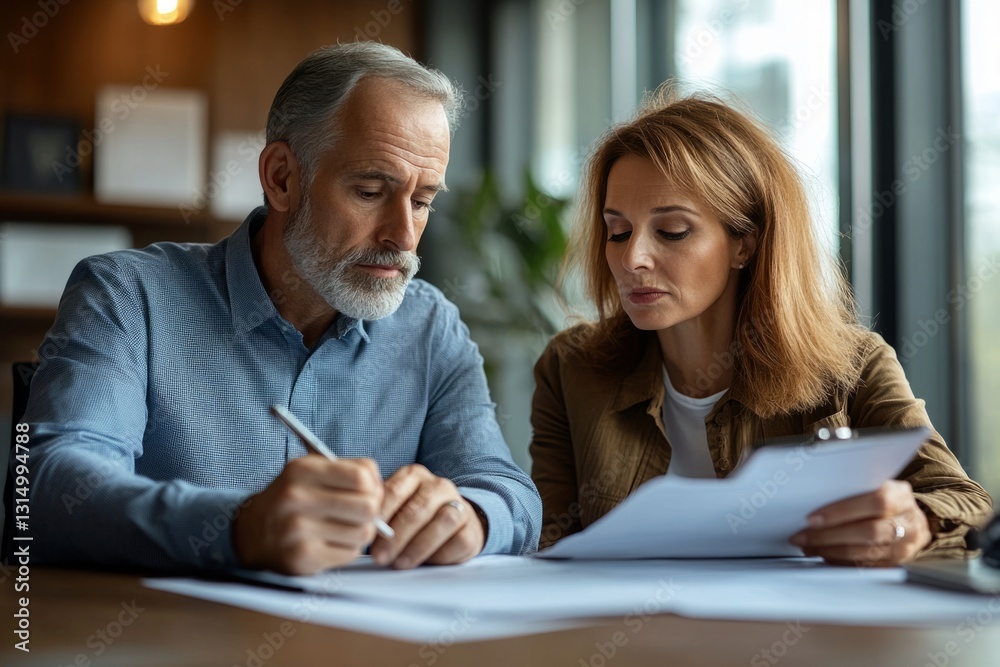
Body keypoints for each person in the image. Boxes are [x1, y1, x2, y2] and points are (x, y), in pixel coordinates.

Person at [22, 42, 540, 575]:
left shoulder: (431, 327)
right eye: (368, 191)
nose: (403, 236)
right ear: (281, 178)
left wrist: (473, 516)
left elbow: (508, 491)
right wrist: (239, 527)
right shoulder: (128, 297)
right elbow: (49, 489)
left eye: (422, 200)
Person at [530, 87, 991, 566]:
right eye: (618, 231)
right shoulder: (571, 368)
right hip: (626, 636)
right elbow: (550, 543)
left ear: (744, 244)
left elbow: (968, 505)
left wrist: (912, 524)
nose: (632, 258)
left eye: (672, 231)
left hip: (803, 635)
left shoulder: (854, 367)